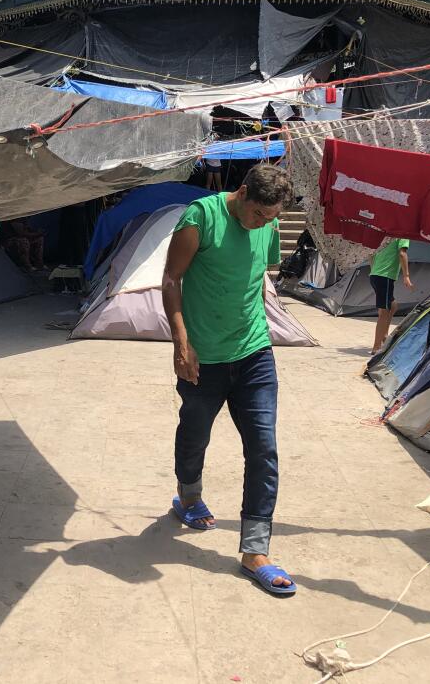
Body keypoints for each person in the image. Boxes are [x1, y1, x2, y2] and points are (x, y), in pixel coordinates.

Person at [162, 162, 298, 597]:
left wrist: (258, 323)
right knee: (195, 433)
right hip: (205, 358)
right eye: (259, 214)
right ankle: (187, 495)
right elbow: (171, 279)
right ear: (242, 193)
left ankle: (255, 550)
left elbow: (258, 278)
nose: (263, 224)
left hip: (255, 352)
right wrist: (182, 342)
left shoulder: (269, 224)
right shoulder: (200, 217)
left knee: (263, 446)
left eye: (271, 218)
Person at [369, 238, 412, 354]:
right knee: (384, 311)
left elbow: (371, 254)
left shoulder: (386, 235)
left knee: (393, 305)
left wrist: (374, 269)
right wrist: (406, 276)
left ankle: (384, 336)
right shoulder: (402, 235)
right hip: (385, 277)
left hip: (374, 275)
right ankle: (377, 347)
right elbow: (402, 254)